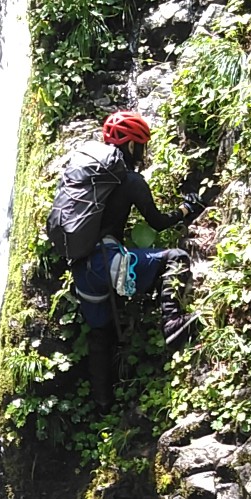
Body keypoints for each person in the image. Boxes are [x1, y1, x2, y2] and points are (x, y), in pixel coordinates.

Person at [69, 111, 209, 408]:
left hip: (82, 267)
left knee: (99, 333)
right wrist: (186, 210)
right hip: (108, 260)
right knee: (176, 258)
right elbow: (157, 222)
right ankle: (173, 323)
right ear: (132, 146)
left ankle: (102, 404)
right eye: (142, 146)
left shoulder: (89, 179)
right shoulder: (131, 180)